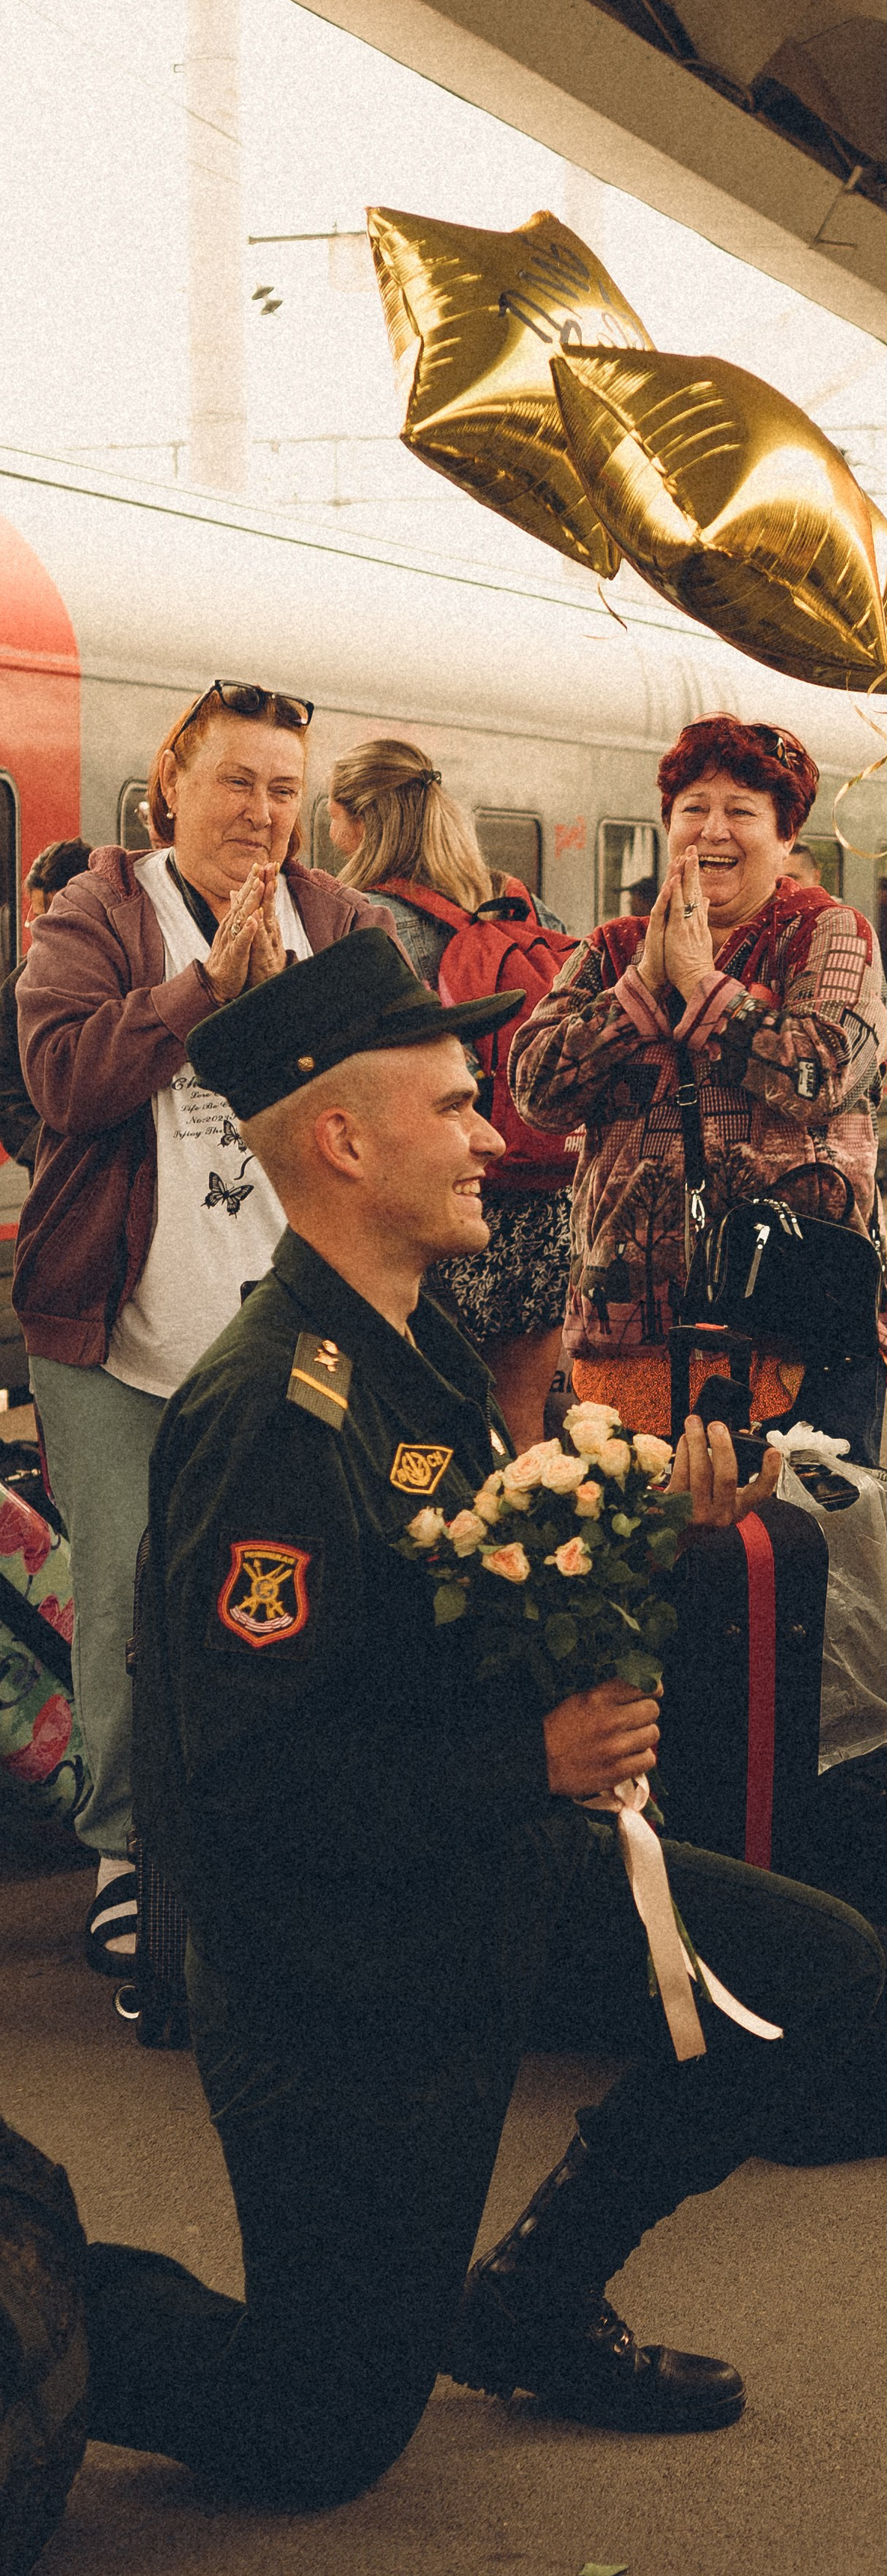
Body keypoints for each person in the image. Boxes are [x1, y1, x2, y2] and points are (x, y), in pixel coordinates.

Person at [79, 928, 882, 2510]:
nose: (490, 1135)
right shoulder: (273, 1410)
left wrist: (650, 1513)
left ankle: (528, 2299)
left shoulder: (403, 1344)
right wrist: (531, 1757)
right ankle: (44, 2300)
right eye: (452, 1108)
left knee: (814, 1978)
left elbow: (463, 1575)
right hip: (332, 1969)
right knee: (318, 2433)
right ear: (342, 1139)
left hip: (466, 1866)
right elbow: (249, 1785)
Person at [15, 681, 378, 1975]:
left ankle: (268, 1832)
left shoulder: (340, 920)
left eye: (287, 789)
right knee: (126, 1590)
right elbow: (65, 1082)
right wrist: (204, 989)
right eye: (238, 783)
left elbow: (386, 1100)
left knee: (292, 1579)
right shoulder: (97, 914)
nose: (264, 814)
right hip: (118, 1334)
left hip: (286, 1326)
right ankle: (126, 1851)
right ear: (172, 783)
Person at [511, 714, 887, 1462]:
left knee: (794, 1557)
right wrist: (642, 988)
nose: (711, 831)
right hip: (626, 1327)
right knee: (638, 1563)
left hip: (794, 1319)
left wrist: (699, 985)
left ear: (785, 837)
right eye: (692, 809)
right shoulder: (613, 949)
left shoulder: (828, 933)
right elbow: (536, 1092)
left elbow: (818, 1075)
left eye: (742, 811)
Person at [327, 740, 572, 1454]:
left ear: (353, 820)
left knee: (427, 1441)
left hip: (438, 1202)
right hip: (542, 1205)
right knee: (523, 1436)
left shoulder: (362, 918)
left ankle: (464, 1566)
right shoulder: (521, 902)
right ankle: (533, 1559)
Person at [0, 840, 92, 1172]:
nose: (44, 931)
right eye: (38, 918)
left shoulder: (132, 974)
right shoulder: (18, 988)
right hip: (54, 1173)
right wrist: (48, 1149)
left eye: (56, 917)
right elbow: (7, 1091)